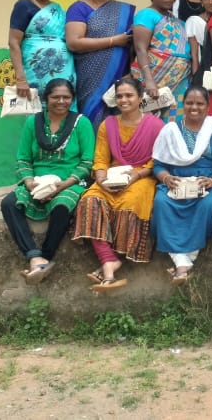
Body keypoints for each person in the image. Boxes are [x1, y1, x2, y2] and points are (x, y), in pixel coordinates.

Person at [73, 78, 163, 292]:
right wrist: (102, 179)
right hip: (111, 178)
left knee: (129, 204)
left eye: (129, 95)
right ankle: (109, 262)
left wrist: (137, 174)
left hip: (141, 178)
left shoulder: (155, 125)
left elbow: (157, 160)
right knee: (89, 200)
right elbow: (101, 159)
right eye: (120, 96)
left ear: (140, 98)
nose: (123, 100)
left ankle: (108, 265)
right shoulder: (108, 125)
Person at [0, 78, 94, 283]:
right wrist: (29, 182)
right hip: (36, 181)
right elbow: (23, 158)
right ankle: (34, 256)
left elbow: (87, 162)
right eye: (55, 97)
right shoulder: (33, 122)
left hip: (70, 181)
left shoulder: (81, 123)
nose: (61, 101)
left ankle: (47, 255)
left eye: (66, 97)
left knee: (61, 206)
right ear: (45, 98)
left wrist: (64, 184)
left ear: (73, 99)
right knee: (9, 203)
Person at [151, 86, 212, 285]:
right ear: (182, 105)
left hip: (210, 182)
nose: (194, 107)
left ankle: (183, 261)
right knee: (161, 202)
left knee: (208, 205)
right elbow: (158, 165)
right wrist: (166, 178)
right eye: (189, 103)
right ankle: (183, 262)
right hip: (177, 182)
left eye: (200, 103)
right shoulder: (170, 129)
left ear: (208, 106)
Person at [65, 0, 135, 126]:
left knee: (119, 120)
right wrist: (114, 41)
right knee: (91, 116)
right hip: (89, 76)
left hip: (120, 76)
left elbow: (131, 45)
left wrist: (130, 70)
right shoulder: (78, 8)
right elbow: (74, 42)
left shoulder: (122, 9)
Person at [8, 0, 75, 101]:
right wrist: (20, 77)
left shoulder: (59, 10)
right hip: (35, 69)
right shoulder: (23, 5)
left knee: (63, 104)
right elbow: (14, 42)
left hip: (64, 69)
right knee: (37, 108)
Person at [132, 0, 192, 123]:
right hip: (153, 78)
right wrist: (149, 81)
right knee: (149, 122)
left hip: (179, 81)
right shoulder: (146, 15)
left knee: (173, 121)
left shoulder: (177, 21)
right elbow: (140, 49)